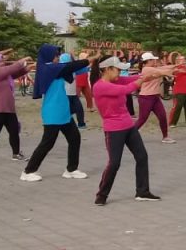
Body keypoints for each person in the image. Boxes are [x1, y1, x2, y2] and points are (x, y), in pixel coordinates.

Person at [92, 56, 158, 204]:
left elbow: (133, 79)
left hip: (129, 126)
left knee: (142, 157)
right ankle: (101, 195)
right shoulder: (100, 86)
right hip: (114, 130)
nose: (120, 73)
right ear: (107, 69)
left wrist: (154, 74)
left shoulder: (116, 80)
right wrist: (141, 81)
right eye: (118, 69)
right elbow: (127, 89)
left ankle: (142, 192)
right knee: (114, 163)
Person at [21, 44, 90, 182]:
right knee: (47, 143)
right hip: (53, 112)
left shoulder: (54, 69)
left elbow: (74, 69)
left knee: (74, 138)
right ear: (48, 56)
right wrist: (89, 59)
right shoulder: (48, 68)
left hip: (63, 111)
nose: (58, 57)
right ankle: (28, 171)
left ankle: (71, 170)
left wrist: (92, 63)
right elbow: (71, 66)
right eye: (56, 55)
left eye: (58, 55)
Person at [0, 51, 33, 162]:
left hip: (8, 108)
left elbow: (15, 73)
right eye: (0, 60)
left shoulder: (4, 74)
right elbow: (11, 69)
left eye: (3, 60)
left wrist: (30, 67)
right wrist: (23, 60)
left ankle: (16, 153)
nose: (3, 62)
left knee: (14, 131)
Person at [133, 52, 176, 143]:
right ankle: (128, 135)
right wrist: (172, 71)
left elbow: (163, 68)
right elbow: (162, 71)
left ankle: (165, 137)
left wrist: (176, 66)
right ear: (148, 61)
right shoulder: (146, 69)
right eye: (153, 60)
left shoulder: (153, 68)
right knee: (142, 119)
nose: (154, 61)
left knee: (162, 116)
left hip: (155, 97)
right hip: (146, 98)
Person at [61, 53, 87, 129]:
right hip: (65, 94)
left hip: (73, 94)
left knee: (79, 109)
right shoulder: (60, 70)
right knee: (68, 110)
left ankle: (81, 124)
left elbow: (83, 69)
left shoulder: (73, 70)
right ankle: (65, 124)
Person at [169, 55, 186, 128]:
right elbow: (174, 72)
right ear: (177, 61)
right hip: (179, 90)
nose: (184, 61)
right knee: (178, 106)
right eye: (181, 59)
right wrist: (181, 68)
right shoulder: (176, 68)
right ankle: (172, 123)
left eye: (184, 59)